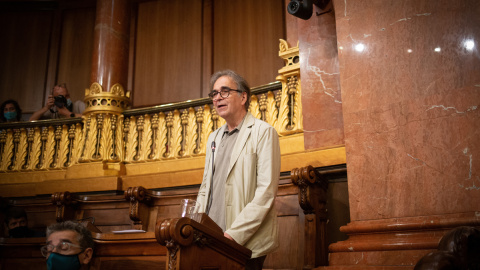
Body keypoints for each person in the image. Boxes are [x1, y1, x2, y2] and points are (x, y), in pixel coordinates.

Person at [195, 70, 281, 270]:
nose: (217, 98)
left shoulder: (263, 132)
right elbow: (206, 186)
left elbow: (266, 192)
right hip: (210, 239)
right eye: (214, 94)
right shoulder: (213, 138)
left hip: (244, 242)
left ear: (243, 97)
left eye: (225, 92)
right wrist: (194, 225)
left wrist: (234, 235)